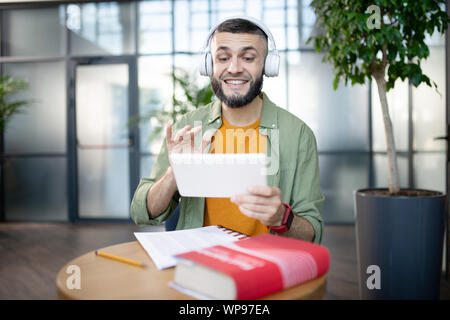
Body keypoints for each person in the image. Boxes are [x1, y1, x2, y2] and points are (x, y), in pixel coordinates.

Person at [130, 16, 325, 243]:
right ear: (209, 65)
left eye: (248, 58)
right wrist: (174, 174)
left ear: (267, 65)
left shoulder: (298, 136)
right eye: (223, 58)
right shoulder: (188, 128)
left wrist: (282, 217)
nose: (234, 68)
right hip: (198, 264)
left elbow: (312, 233)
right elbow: (142, 212)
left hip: (265, 267)